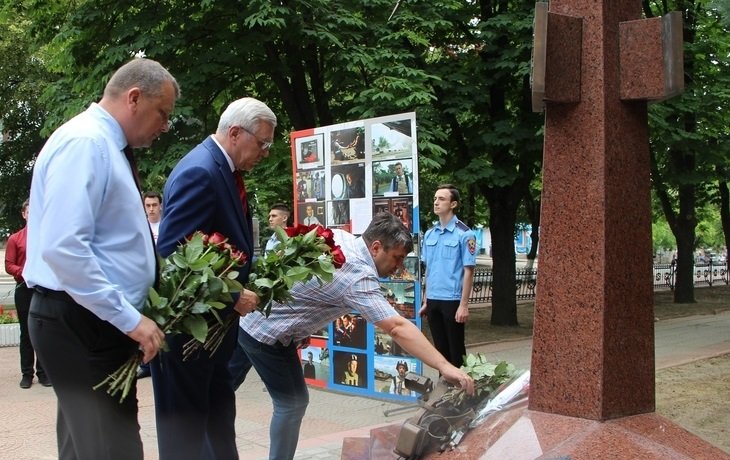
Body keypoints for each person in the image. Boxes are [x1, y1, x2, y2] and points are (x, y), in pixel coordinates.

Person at [23, 58, 175, 460]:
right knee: (112, 449)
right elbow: (64, 247)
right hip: (82, 323)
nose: (165, 126)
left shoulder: (102, 144)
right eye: (163, 113)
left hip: (87, 321)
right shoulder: (87, 143)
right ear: (134, 98)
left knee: (87, 448)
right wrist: (130, 319)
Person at [228, 212, 475, 460]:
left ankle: (202, 438)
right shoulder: (358, 275)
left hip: (252, 320)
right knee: (292, 403)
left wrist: (298, 325)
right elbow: (397, 327)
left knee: (219, 393)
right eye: (397, 258)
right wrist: (444, 365)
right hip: (267, 334)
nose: (399, 266)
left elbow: (308, 284)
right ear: (376, 247)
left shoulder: (342, 238)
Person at [151, 97, 276, 460]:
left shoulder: (224, 170)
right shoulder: (201, 171)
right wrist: (234, 294)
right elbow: (174, 254)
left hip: (213, 333)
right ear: (236, 133)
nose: (265, 153)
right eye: (263, 143)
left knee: (219, 425)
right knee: (187, 437)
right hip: (191, 334)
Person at [419, 184, 477, 368]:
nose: (436, 202)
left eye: (441, 199)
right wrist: (426, 299)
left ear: (453, 204)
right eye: (435, 198)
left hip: (452, 300)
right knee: (439, 353)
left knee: (456, 351)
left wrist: (464, 305)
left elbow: (469, 271)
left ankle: (460, 392)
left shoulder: (465, 234)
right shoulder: (429, 234)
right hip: (434, 299)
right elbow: (428, 269)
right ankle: (443, 388)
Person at [5, 199, 50, 389]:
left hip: (42, 289)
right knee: (26, 333)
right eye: (28, 212)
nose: (32, 214)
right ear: (24, 214)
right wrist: (24, 272)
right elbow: (9, 264)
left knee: (43, 332)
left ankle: (43, 372)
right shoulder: (15, 239)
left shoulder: (46, 237)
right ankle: (26, 374)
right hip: (23, 289)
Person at [137, 191, 163, 379]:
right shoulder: (140, 227)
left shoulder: (167, 225)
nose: (151, 209)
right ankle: (145, 363)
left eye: (154, 205)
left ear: (160, 205)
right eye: (148, 205)